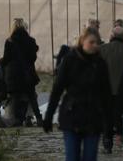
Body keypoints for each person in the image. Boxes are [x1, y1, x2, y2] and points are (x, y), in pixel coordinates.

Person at [43, 27, 112, 161]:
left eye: (97, 43)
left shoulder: (100, 64)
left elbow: (106, 96)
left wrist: (109, 125)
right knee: (72, 157)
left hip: (93, 118)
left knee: (90, 157)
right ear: (82, 41)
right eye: (91, 42)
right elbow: (58, 89)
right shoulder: (70, 60)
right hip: (72, 116)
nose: (94, 46)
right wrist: (49, 116)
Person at [0, 18, 42, 128]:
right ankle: (38, 119)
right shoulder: (31, 41)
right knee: (32, 97)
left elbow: (7, 58)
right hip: (28, 75)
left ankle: (15, 119)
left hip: (14, 77)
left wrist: (1, 62)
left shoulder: (10, 41)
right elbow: (33, 58)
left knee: (15, 98)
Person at [99, 25, 123, 153]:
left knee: (107, 117)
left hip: (106, 90)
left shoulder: (102, 49)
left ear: (112, 36)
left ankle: (107, 142)